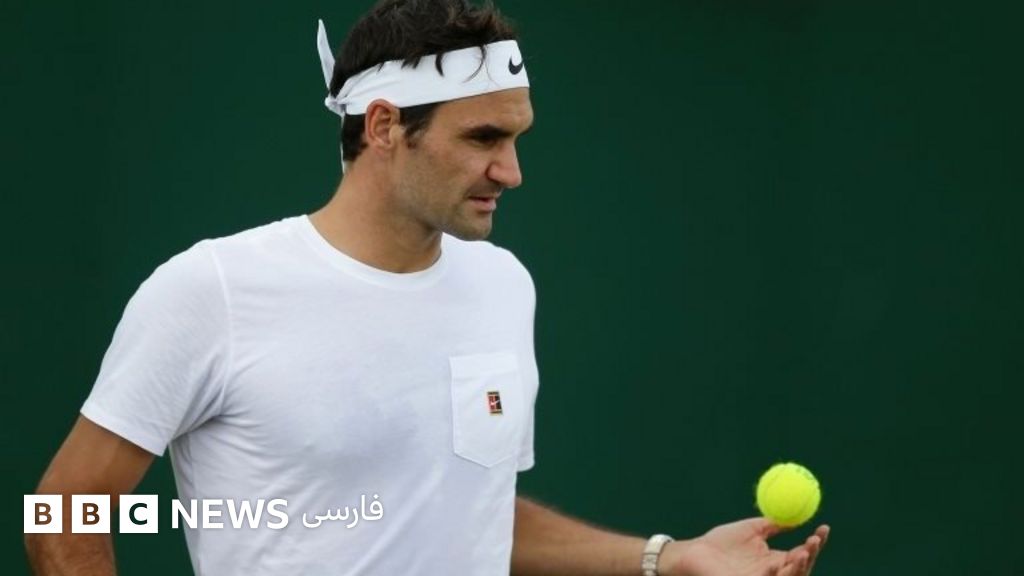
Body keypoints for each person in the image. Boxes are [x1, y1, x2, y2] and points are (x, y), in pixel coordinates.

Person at [25, 1, 830, 574]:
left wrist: (667, 558)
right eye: (483, 137)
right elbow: (62, 516)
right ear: (384, 127)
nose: (511, 171)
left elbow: (469, 514)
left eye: (516, 136)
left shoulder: (504, 285)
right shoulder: (212, 290)